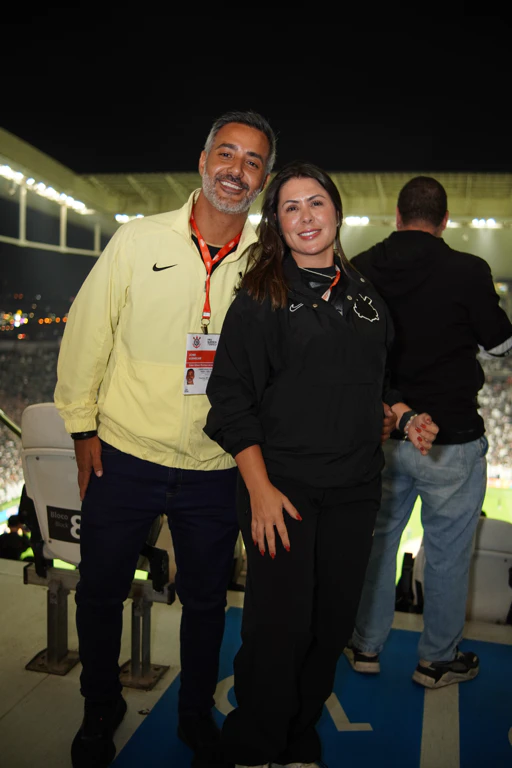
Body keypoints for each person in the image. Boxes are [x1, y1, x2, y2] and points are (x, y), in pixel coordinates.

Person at [54, 110, 277, 768]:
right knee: (99, 592)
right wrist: (82, 426)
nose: (236, 170)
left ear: (263, 181)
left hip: (216, 465)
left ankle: (193, 713)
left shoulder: (269, 260)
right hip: (125, 454)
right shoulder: (137, 239)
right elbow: (89, 330)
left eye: (253, 162)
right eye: (226, 154)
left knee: (207, 602)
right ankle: (99, 707)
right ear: (203, 162)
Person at [203, 161, 438, 768]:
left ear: (336, 211)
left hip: (355, 491)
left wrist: (403, 414)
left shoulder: (365, 296)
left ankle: (296, 734)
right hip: (283, 489)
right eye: (291, 207)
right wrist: (259, 490)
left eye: (315, 203)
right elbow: (229, 399)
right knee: (277, 630)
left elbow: (376, 384)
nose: (305, 217)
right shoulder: (262, 297)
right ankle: (253, 745)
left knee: (330, 627)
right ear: (277, 224)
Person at [345, 175, 512, 689]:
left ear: (397, 217)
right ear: (444, 222)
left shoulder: (363, 265)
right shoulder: (468, 270)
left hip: (382, 432)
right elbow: (501, 345)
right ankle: (436, 660)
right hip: (452, 438)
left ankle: (365, 646)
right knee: (447, 556)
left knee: (378, 545)